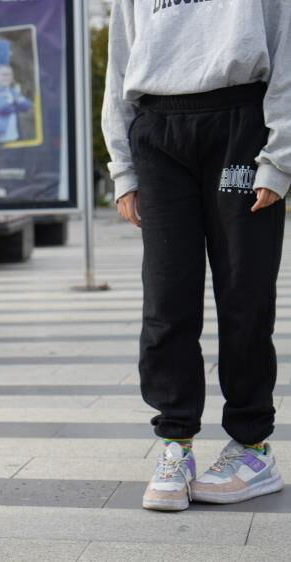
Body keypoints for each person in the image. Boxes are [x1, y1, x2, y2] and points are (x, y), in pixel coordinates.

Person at [102, 0, 290, 511]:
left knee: (245, 295)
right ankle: (175, 444)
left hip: (241, 125)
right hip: (158, 132)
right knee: (166, 300)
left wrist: (279, 157)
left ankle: (252, 448)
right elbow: (121, 58)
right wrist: (123, 167)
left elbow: (286, 42)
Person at [0, 65, 32, 144]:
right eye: (4, 74)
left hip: (15, 136)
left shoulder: (13, 91)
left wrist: (12, 102)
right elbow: (3, 108)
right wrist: (17, 104)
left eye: (9, 74)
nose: (7, 77)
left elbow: (27, 105)